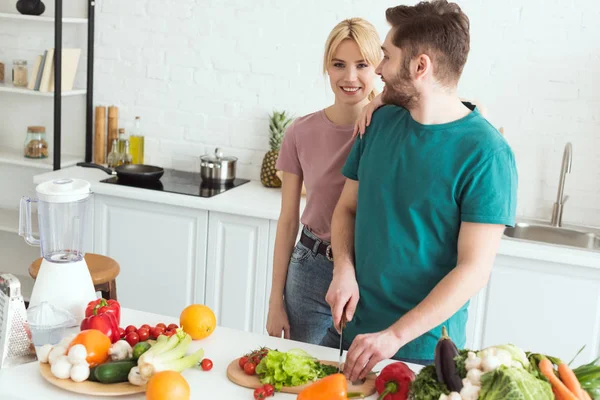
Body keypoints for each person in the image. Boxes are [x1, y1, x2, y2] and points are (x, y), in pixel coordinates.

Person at [322, 0, 518, 383]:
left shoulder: (486, 153)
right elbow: (346, 209)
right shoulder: (378, 123)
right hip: (350, 336)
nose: (377, 69)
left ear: (420, 66)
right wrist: (343, 268)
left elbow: (473, 270)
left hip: (423, 355)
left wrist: (394, 336)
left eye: (386, 57)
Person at [265, 18, 383, 345]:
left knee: (356, 383)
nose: (350, 77)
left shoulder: (389, 129)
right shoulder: (300, 132)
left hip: (369, 272)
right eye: (338, 64)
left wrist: (384, 101)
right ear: (326, 69)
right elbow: (288, 218)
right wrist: (276, 300)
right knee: (301, 376)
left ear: (379, 68)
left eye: (362, 65)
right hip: (310, 269)